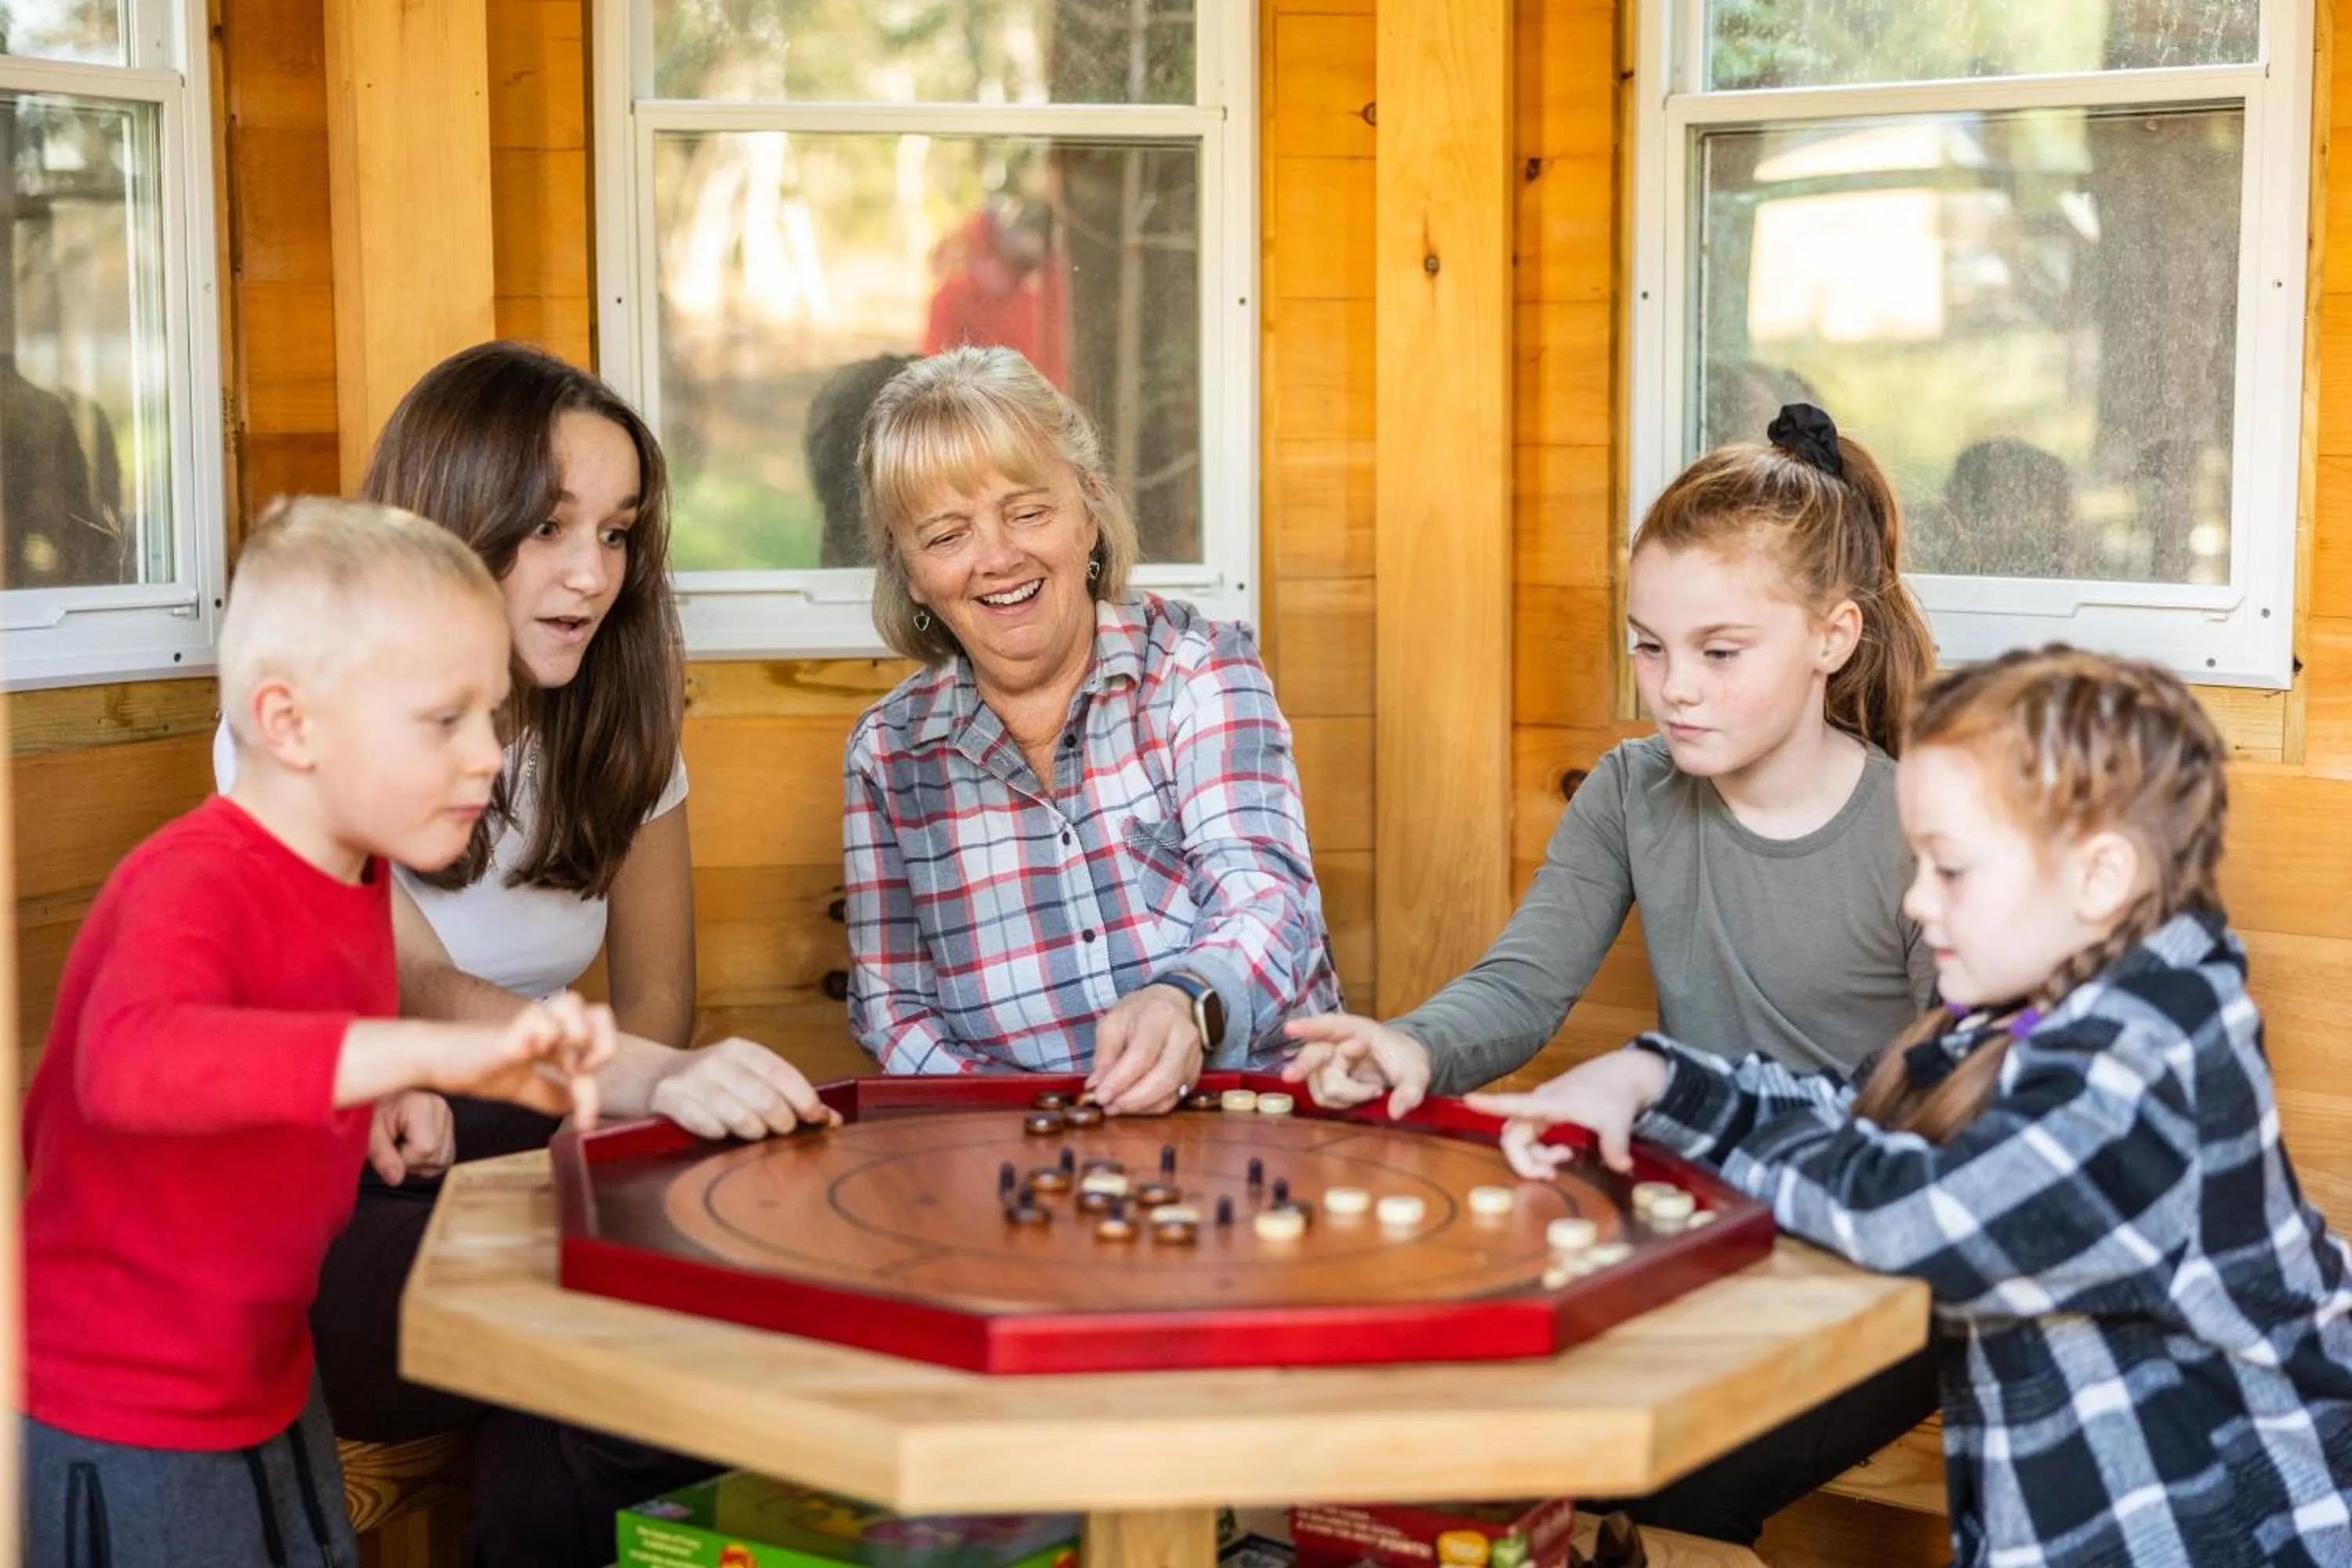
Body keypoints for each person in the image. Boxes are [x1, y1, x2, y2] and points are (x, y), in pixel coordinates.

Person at [1471, 646, 2352, 1568]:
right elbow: (1860, 1105)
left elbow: (1914, 1215)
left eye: (1952, 869)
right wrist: (1652, 1078)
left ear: (2100, 876)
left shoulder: (2148, 1064)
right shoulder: (2031, 1017)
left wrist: (1693, 1113)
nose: (1916, 900)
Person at [214, 342, 833, 1568]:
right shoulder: (309, 721)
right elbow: (420, 983)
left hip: (536, 1145)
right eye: (550, 527)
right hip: (334, 1194)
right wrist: (624, 1086)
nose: (590, 574)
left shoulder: (620, 712)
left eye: (616, 532)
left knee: (676, 1309)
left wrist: (614, 1127)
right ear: (454, 518)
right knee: (595, 1319)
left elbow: (661, 999)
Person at [1280, 403, 1940, 1544]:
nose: (1672, 686)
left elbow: (1953, 1110)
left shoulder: (1929, 831)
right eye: (1649, 644)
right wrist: (1414, 1043)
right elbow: (1524, 986)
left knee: (1657, 1478)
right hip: (1687, 1233)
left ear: (1833, 637)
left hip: (1873, 1267)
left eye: (1720, 651)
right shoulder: (1633, 792)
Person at [21, 498, 615, 1566]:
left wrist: (377, 1096)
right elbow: (135, 1065)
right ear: (290, 723)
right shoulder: (191, 880)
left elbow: (278, 1041)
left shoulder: (356, 873)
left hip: (264, 1374)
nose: (487, 756)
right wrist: (419, 1054)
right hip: (122, 1407)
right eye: (444, 721)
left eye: (493, 714)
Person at [843, 345, 1340, 1112]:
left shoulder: (1197, 669)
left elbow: (1269, 897)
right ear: (908, 570)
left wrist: (1184, 1000)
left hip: (1249, 1129)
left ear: (1089, 510)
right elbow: (895, 1010)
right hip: (1020, 1171)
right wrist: (1038, 1129)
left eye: (1028, 511)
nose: (998, 557)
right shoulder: (888, 754)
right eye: (946, 535)